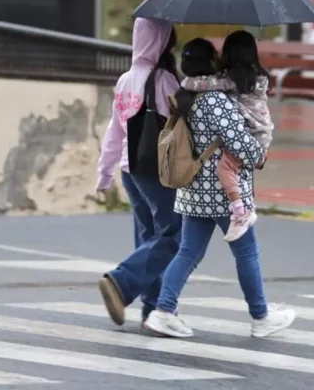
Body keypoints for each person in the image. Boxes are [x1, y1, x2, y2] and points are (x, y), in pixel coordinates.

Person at [143, 37, 295, 339]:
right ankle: (261, 317)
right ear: (209, 62)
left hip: (194, 189)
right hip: (224, 192)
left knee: (188, 253)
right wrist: (259, 155)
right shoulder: (215, 101)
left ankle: (163, 311)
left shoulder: (188, 94)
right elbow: (238, 142)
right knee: (247, 252)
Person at [95, 18, 182, 326]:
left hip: (129, 169)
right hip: (156, 170)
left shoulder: (126, 79)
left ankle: (153, 309)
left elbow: (114, 131)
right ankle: (122, 282)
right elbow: (183, 127)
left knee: (149, 237)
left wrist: (104, 173)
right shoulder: (164, 81)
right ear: (162, 40)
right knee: (173, 234)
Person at [181, 30, 273, 242]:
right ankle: (241, 206)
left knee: (225, 167)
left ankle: (240, 212)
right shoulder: (256, 76)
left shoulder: (235, 81)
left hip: (254, 135)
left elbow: (206, 84)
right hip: (261, 133)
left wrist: (186, 83)